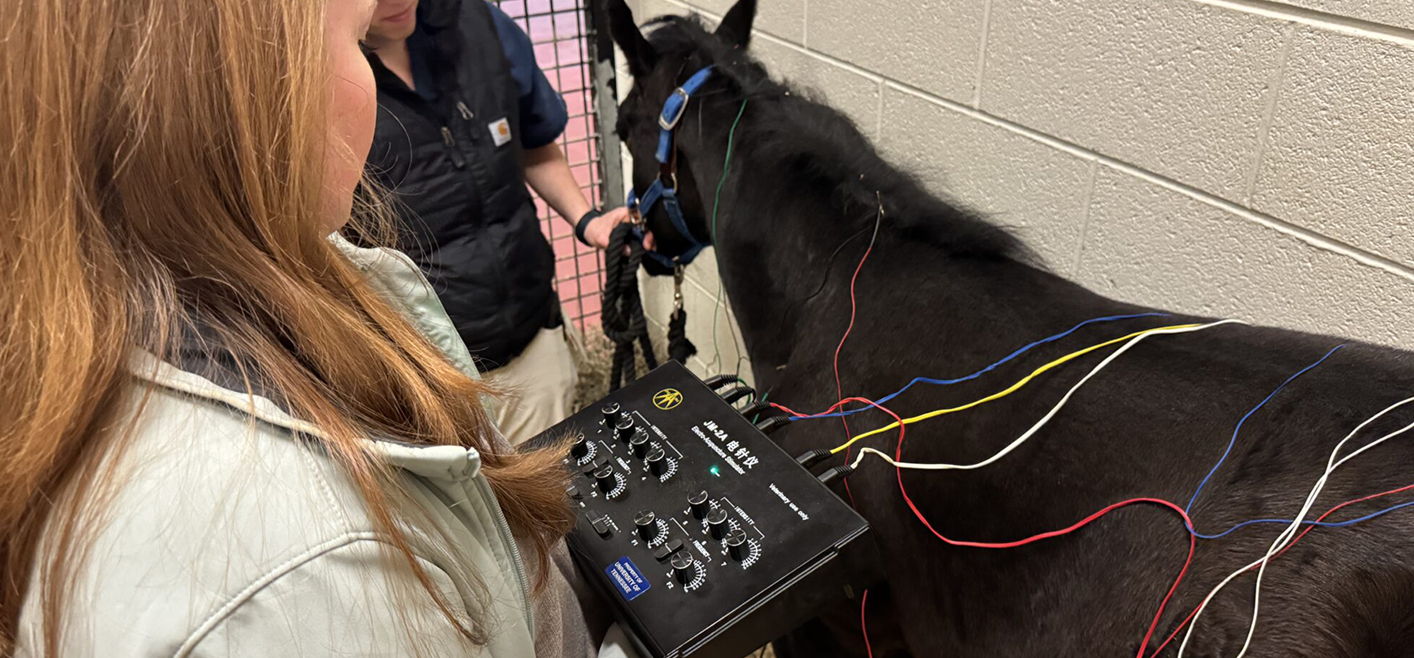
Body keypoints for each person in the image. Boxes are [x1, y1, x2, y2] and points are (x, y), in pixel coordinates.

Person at [0, 0, 630, 656]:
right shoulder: (312, 569)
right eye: (354, 36)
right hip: (426, 366)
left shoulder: (482, 31)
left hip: (497, 349)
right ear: (242, 83)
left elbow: (518, 550)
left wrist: (587, 220)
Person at [361, 0, 629, 445]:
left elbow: (531, 141)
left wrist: (587, 220)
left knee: (553, 488)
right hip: (424, 385)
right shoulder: (318, 81)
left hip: (529, 337)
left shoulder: (482, 25)